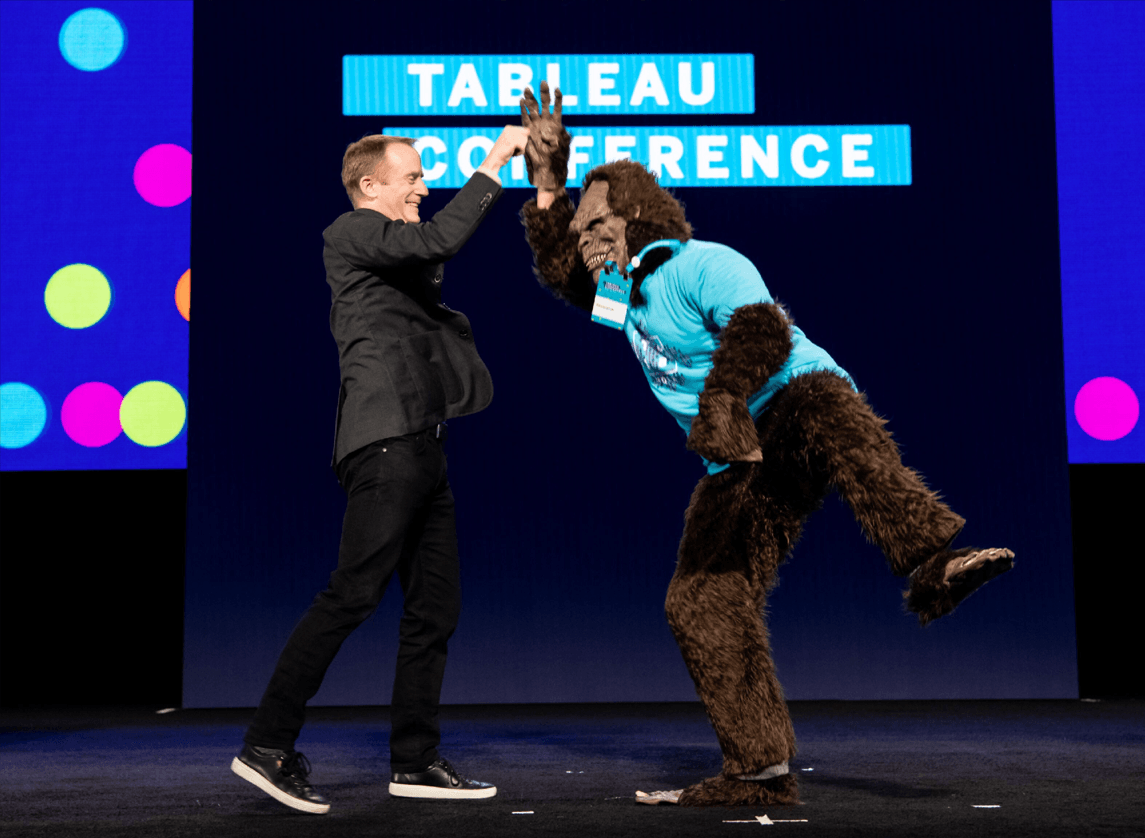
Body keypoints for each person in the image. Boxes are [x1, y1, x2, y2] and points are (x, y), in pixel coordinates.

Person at [518, 84, 1013, 806]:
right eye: (582, 227)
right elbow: (563, 275)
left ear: (636, 217)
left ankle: (936, 562)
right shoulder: (620, 295)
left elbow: (763, 330)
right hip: (738, 459)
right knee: (699, 599)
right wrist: (548, 184)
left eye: (597, 224)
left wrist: (722, 402)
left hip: (787, 403)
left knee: (834, 420)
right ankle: (757, 771)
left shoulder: (700, 262)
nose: (585, 238)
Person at [231, 126, 528, 814]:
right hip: (385, 442)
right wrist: (493, 162)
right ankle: (267, 745)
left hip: (422, 444)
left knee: (435, 608)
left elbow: (427, 259)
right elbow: (439, 240)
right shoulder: (349, 231)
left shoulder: (394, 251)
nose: (423, 188)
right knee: (352, 594)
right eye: (413, 177)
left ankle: (414, 760)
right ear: (371, 187)